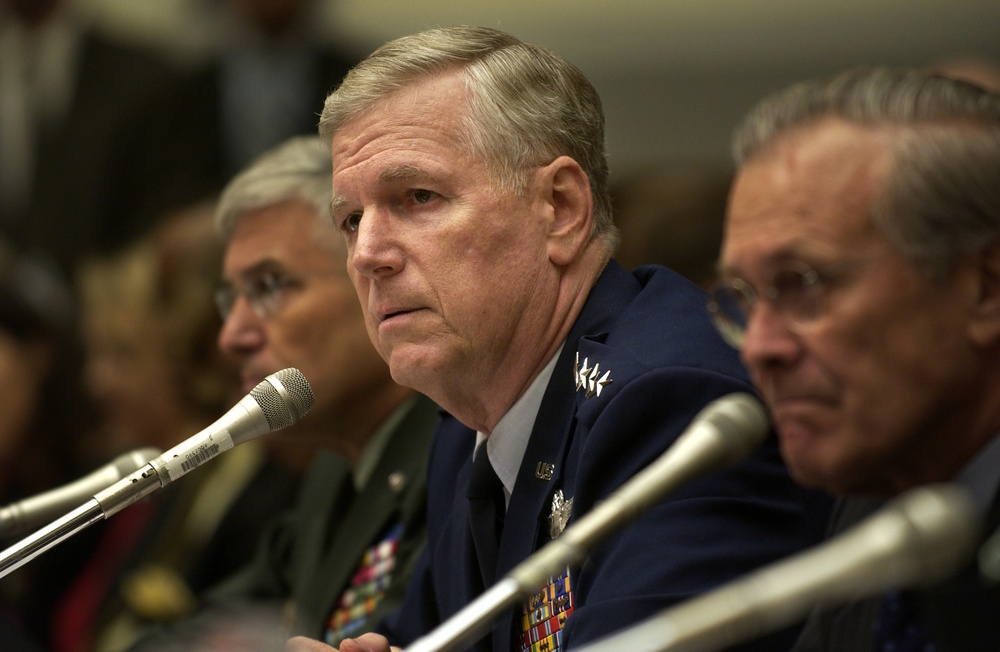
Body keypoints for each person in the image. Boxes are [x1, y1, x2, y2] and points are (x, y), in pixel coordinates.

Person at [289, 25, 832, 652]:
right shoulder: (464, 424)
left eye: (417, 197)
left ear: (562, 207)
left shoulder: (671, 404)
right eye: (351, 220)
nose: (367, 255)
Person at [709, 66, 1000, 651]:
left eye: (803, 285)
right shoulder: (881, 497)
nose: (762, 348)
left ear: (985, 289)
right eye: (741, 297)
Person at [128, 135, 438, 650]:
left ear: (373, 274)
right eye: (233, 299)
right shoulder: (332, 470)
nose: (231, 336)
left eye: (271, 287)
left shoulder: (454, 456)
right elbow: (199, 633)